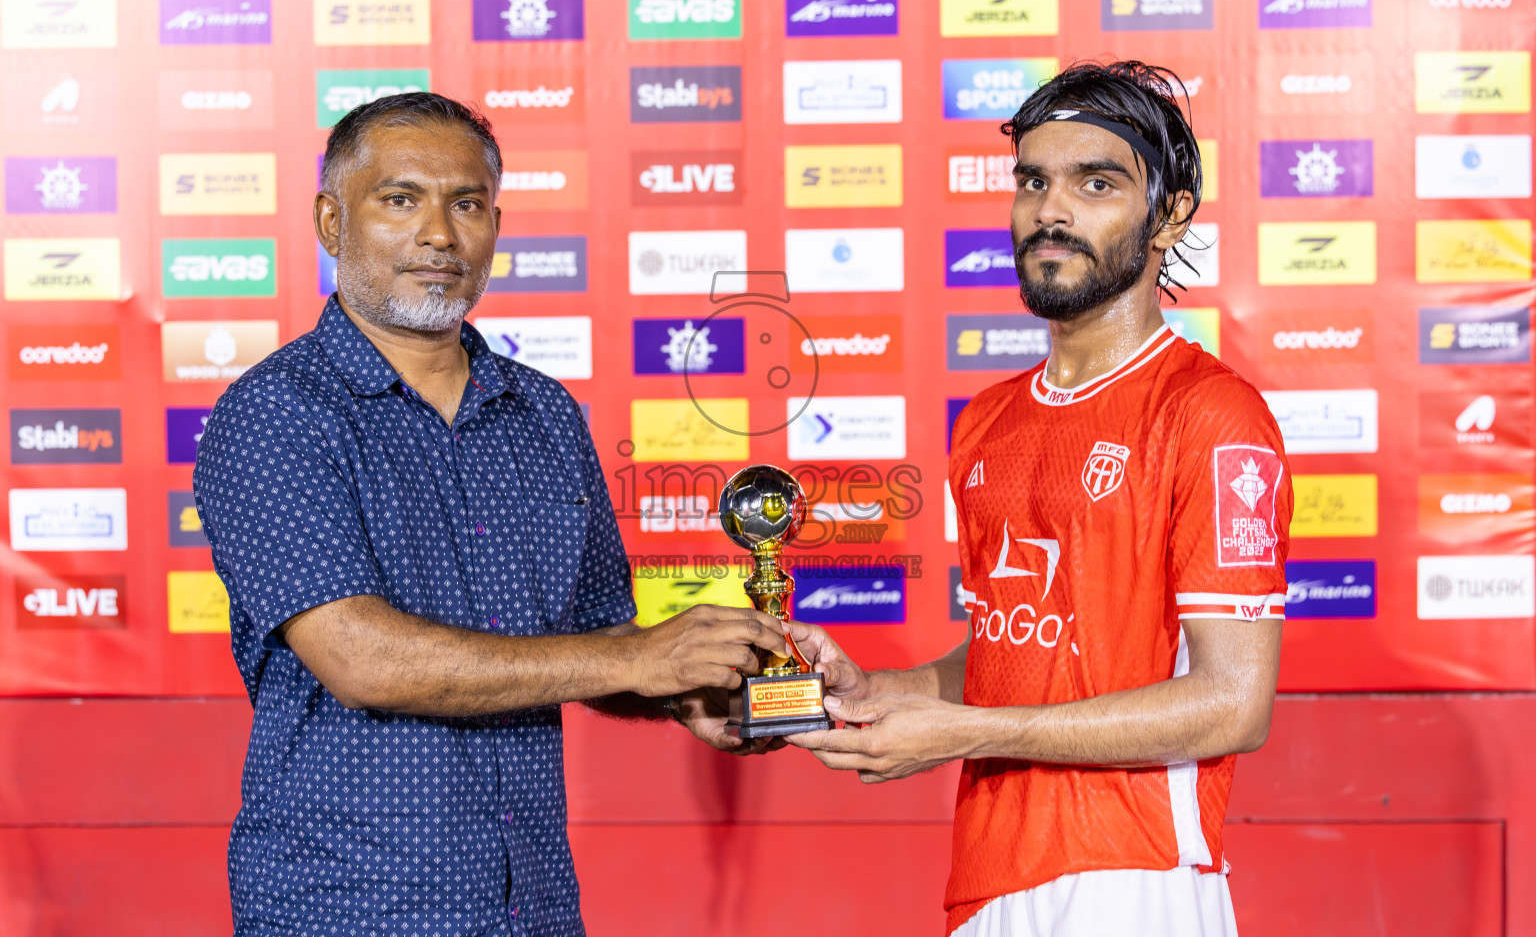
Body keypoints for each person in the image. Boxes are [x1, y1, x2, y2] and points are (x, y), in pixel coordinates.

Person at [192, 92, 786, 937]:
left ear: (495, 226)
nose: (439, 233)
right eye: (400, 200)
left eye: (466, 204)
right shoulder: (278, 414)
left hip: (532, 905)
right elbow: (361, 658)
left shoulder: (545, 414)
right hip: (351, 907)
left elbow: (595, 638)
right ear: (331, 222)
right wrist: (637, 658)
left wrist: (684, 688)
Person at [787, 61, 1293, 936]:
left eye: (1096, 183)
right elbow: (1017, 646)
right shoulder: (987, 420)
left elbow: (1232, 704)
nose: (1050, 211)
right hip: (988, 871)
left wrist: (959, 735)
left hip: (1134, 875)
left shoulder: (1210, 413)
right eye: (1033, 182)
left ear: (1168, 215)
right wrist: (889, 692)